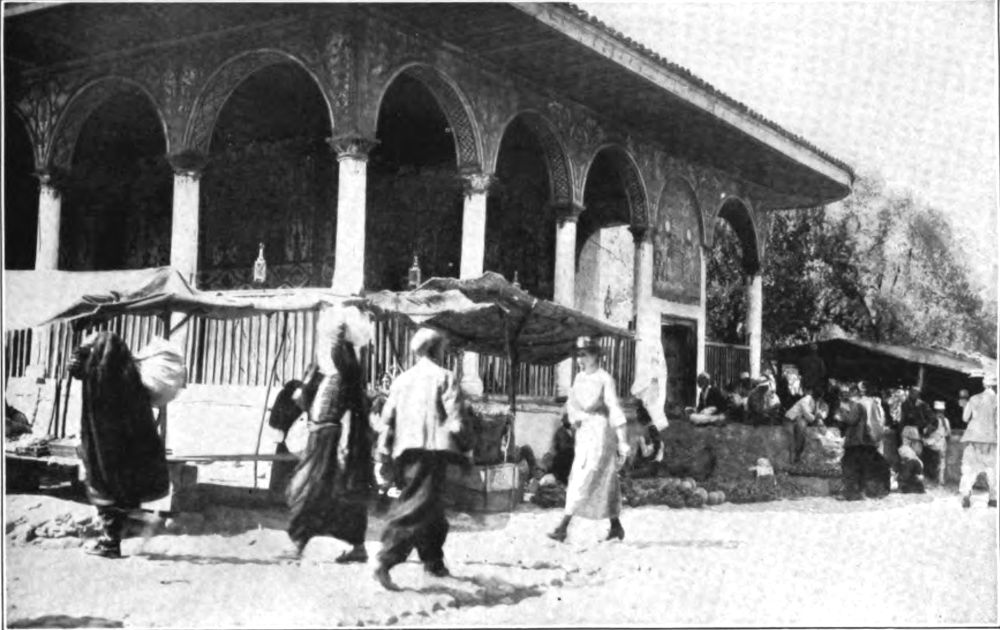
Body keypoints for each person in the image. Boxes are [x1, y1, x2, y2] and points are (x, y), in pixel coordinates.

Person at [375, 328, 471, 590]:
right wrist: (466, 448)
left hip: (405, 453)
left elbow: (387, 419)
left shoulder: (401, 380)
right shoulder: (445, 377)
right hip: (432, 452)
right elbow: (456, 419)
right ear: (436, 349)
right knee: (416, 506)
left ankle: (433, 562)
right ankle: (385, 560)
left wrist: (383, 452)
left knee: (433, 509)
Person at [67, 331, 170, 558]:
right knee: (118, 493)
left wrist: (83, 347)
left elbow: (74, 368)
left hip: (103, 447)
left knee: (104, 491)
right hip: (127, 448)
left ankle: (109, 544)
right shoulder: (129, 375)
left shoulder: (96, 374)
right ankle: (112, 541)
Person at [285, 306, 374, 562]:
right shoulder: (333, 364)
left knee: (313, 488)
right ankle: (356, 546)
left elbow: (349, 405)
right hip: (324, 433)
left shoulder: (341, 357)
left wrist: (345, 439)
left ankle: (299, 543)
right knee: (338, 490)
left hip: (331, 437)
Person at [547, 337, 630, 543]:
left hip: (601, 434)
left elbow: (614, 408)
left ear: (595, 356)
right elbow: (572, 404)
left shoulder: (605, 379)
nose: (580, 359)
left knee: (584, 478)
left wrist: (622, 441)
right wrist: (575, 419)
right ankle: (616, 526)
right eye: (578, 355)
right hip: (584, 434)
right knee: (601, 480)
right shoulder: (578, 379)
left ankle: (563, 527)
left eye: (584, 354)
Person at [838, 384, 889, 500]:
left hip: (857, 440)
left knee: (851, 466)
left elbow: (851, 420)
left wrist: (842, 411)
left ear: (857, 392)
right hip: (869, 441)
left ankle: (850, 493)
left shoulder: (859, 404)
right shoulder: (874, 404)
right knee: (864, 467)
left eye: (851, 392)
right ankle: (862, 492)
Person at [958, 372, 997, 509]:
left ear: (983, 384)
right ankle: (993, 498)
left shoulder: (974, 398)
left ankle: (966, 494)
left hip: (973, 437)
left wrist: (965, 406)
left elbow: (964, 418)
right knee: (992, 469)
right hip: (990, 439)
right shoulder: (997, 400)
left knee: (969, 467)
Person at [784, 386, 821, 464]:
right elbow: (807, 414)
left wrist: (816, 414)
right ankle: (791, 461)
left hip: (799, 419)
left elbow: (813, 414)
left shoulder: (814, 402)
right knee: (792, 440)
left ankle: (797, 459)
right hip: (790, 419)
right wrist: (816, 419)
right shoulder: (806, 400)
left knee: (801, 437)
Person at [921, 401, 951, 485]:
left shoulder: (932, 420)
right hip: (941, 444)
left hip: (931, 444)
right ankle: (941, 480)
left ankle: (928, 477)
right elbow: (948, 433)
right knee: (942, 462)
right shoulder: (946, 420)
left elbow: (926, 432)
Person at [900, 386, 932, 456]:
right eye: (912, 393)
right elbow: (903, 418)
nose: (913, 395)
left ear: (918, 395)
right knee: (906, 452)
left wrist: (925, 429)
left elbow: (930, 418)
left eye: (915, 393)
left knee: (916, 452)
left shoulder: (923, 404)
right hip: (907, 429)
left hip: (917, 429)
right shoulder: (905, 404)